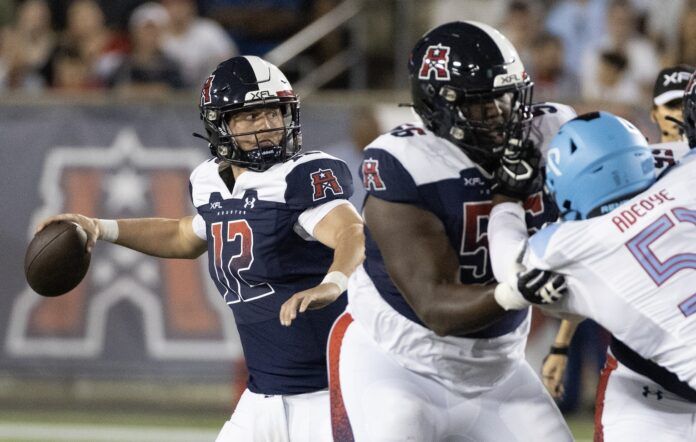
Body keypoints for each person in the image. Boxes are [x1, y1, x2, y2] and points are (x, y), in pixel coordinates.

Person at [37, 55, 365, 442]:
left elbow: (351, 232)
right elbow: (183, 235)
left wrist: (334, 282)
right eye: (250, 116)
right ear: (220, 124)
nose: (267, 126)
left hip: (328, 394)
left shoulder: (300, 175)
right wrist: (99, 227)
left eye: (273, 113)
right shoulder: (211, 181)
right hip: (262, 396)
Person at [327, 21, 574, 441]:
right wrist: (520, 289)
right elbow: (436, 307)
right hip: (398, 362)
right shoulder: (406, 161)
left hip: (500, 367)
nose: (500, 115)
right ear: (438, 106)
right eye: (481, 104)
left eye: (507, 97)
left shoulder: (553, 131)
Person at [488, 111, 696, 441]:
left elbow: (508, 263)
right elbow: (677, 153)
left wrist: (508, 196)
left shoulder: (568, 246)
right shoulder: (686, 175)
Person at [541, 65, 696, 403]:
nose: (678, 116)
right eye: (671, 107)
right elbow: (586, 258)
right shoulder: (626, 174)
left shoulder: (641, 168)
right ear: (654, 113)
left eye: (684, 106)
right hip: (644, 351)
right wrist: (561, 342)